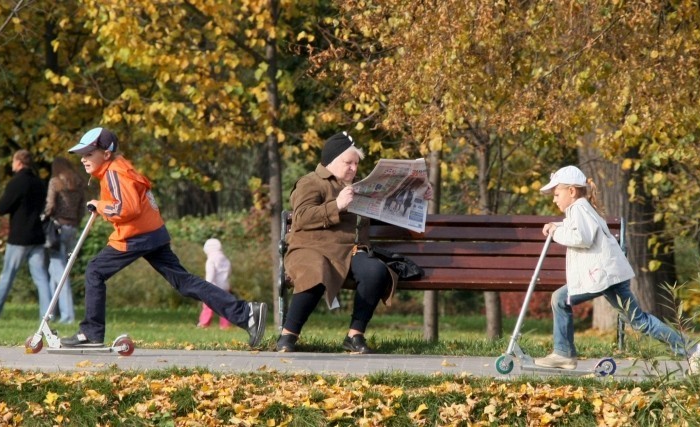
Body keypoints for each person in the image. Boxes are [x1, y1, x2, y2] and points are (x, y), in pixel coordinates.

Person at [59, 127, 266, 348]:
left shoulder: (113, 173)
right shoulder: (119, 169)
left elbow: (126, 209)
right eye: (82, 155)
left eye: (89, 154)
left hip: (136, 236)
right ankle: (246, 313)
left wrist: (99, 205)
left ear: (106, 154)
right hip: (152, 233)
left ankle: (91, 333)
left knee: (95, 270)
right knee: (184, 282)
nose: (83, 159)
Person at [534, 165, 700, 374]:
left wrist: (555, 232)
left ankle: (694, 350)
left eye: (557, 194)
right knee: (564, 300)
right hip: (603, 276)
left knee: (634, 320)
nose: (554, 199)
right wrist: (557, 226)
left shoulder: (579, 208)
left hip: (604, 277)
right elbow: (577, 230)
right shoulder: (580, 209)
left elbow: (581, 237)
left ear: (572, 191)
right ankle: (563, 353)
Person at [277, 131, 432, 354]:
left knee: (375, 271)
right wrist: (336, 205)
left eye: (356, 164)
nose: (353, 168)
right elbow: (301, 218)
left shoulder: (361, 186)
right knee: (316, 271)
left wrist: (417, 195)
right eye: (348, 163)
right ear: (330, 161)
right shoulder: (310, 182)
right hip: (312, 248)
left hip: (351, 251)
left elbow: (387, 212)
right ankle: (288, 335)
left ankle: (355, 335)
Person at [0, 150, 52, 320]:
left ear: (19, 162)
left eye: (13, 161)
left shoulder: (17, 182)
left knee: (7, 276)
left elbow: (1, 207)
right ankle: (47, 315)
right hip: (37, 235)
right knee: (41, 278)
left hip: (20, 237)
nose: (12, 165)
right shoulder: (39, 182)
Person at [43, 156, 87, 324]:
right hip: (73, 229)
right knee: (54, 269)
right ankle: (52, 312)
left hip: (58, 228)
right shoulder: (79, 182)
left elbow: (50, 205)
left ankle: (68, 315)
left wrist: (45, 216)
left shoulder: (55, 182)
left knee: (59, 271)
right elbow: (82, 208)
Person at [197, 238, 232, 329]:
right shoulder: (225, 259)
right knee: (224, 307)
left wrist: (206, 286)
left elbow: (210, 274)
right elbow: (228, 272)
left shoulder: (211, 260)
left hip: (213, 287)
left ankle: (204, 323)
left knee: (208, 306)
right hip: (224, 287)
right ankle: (225, 325)